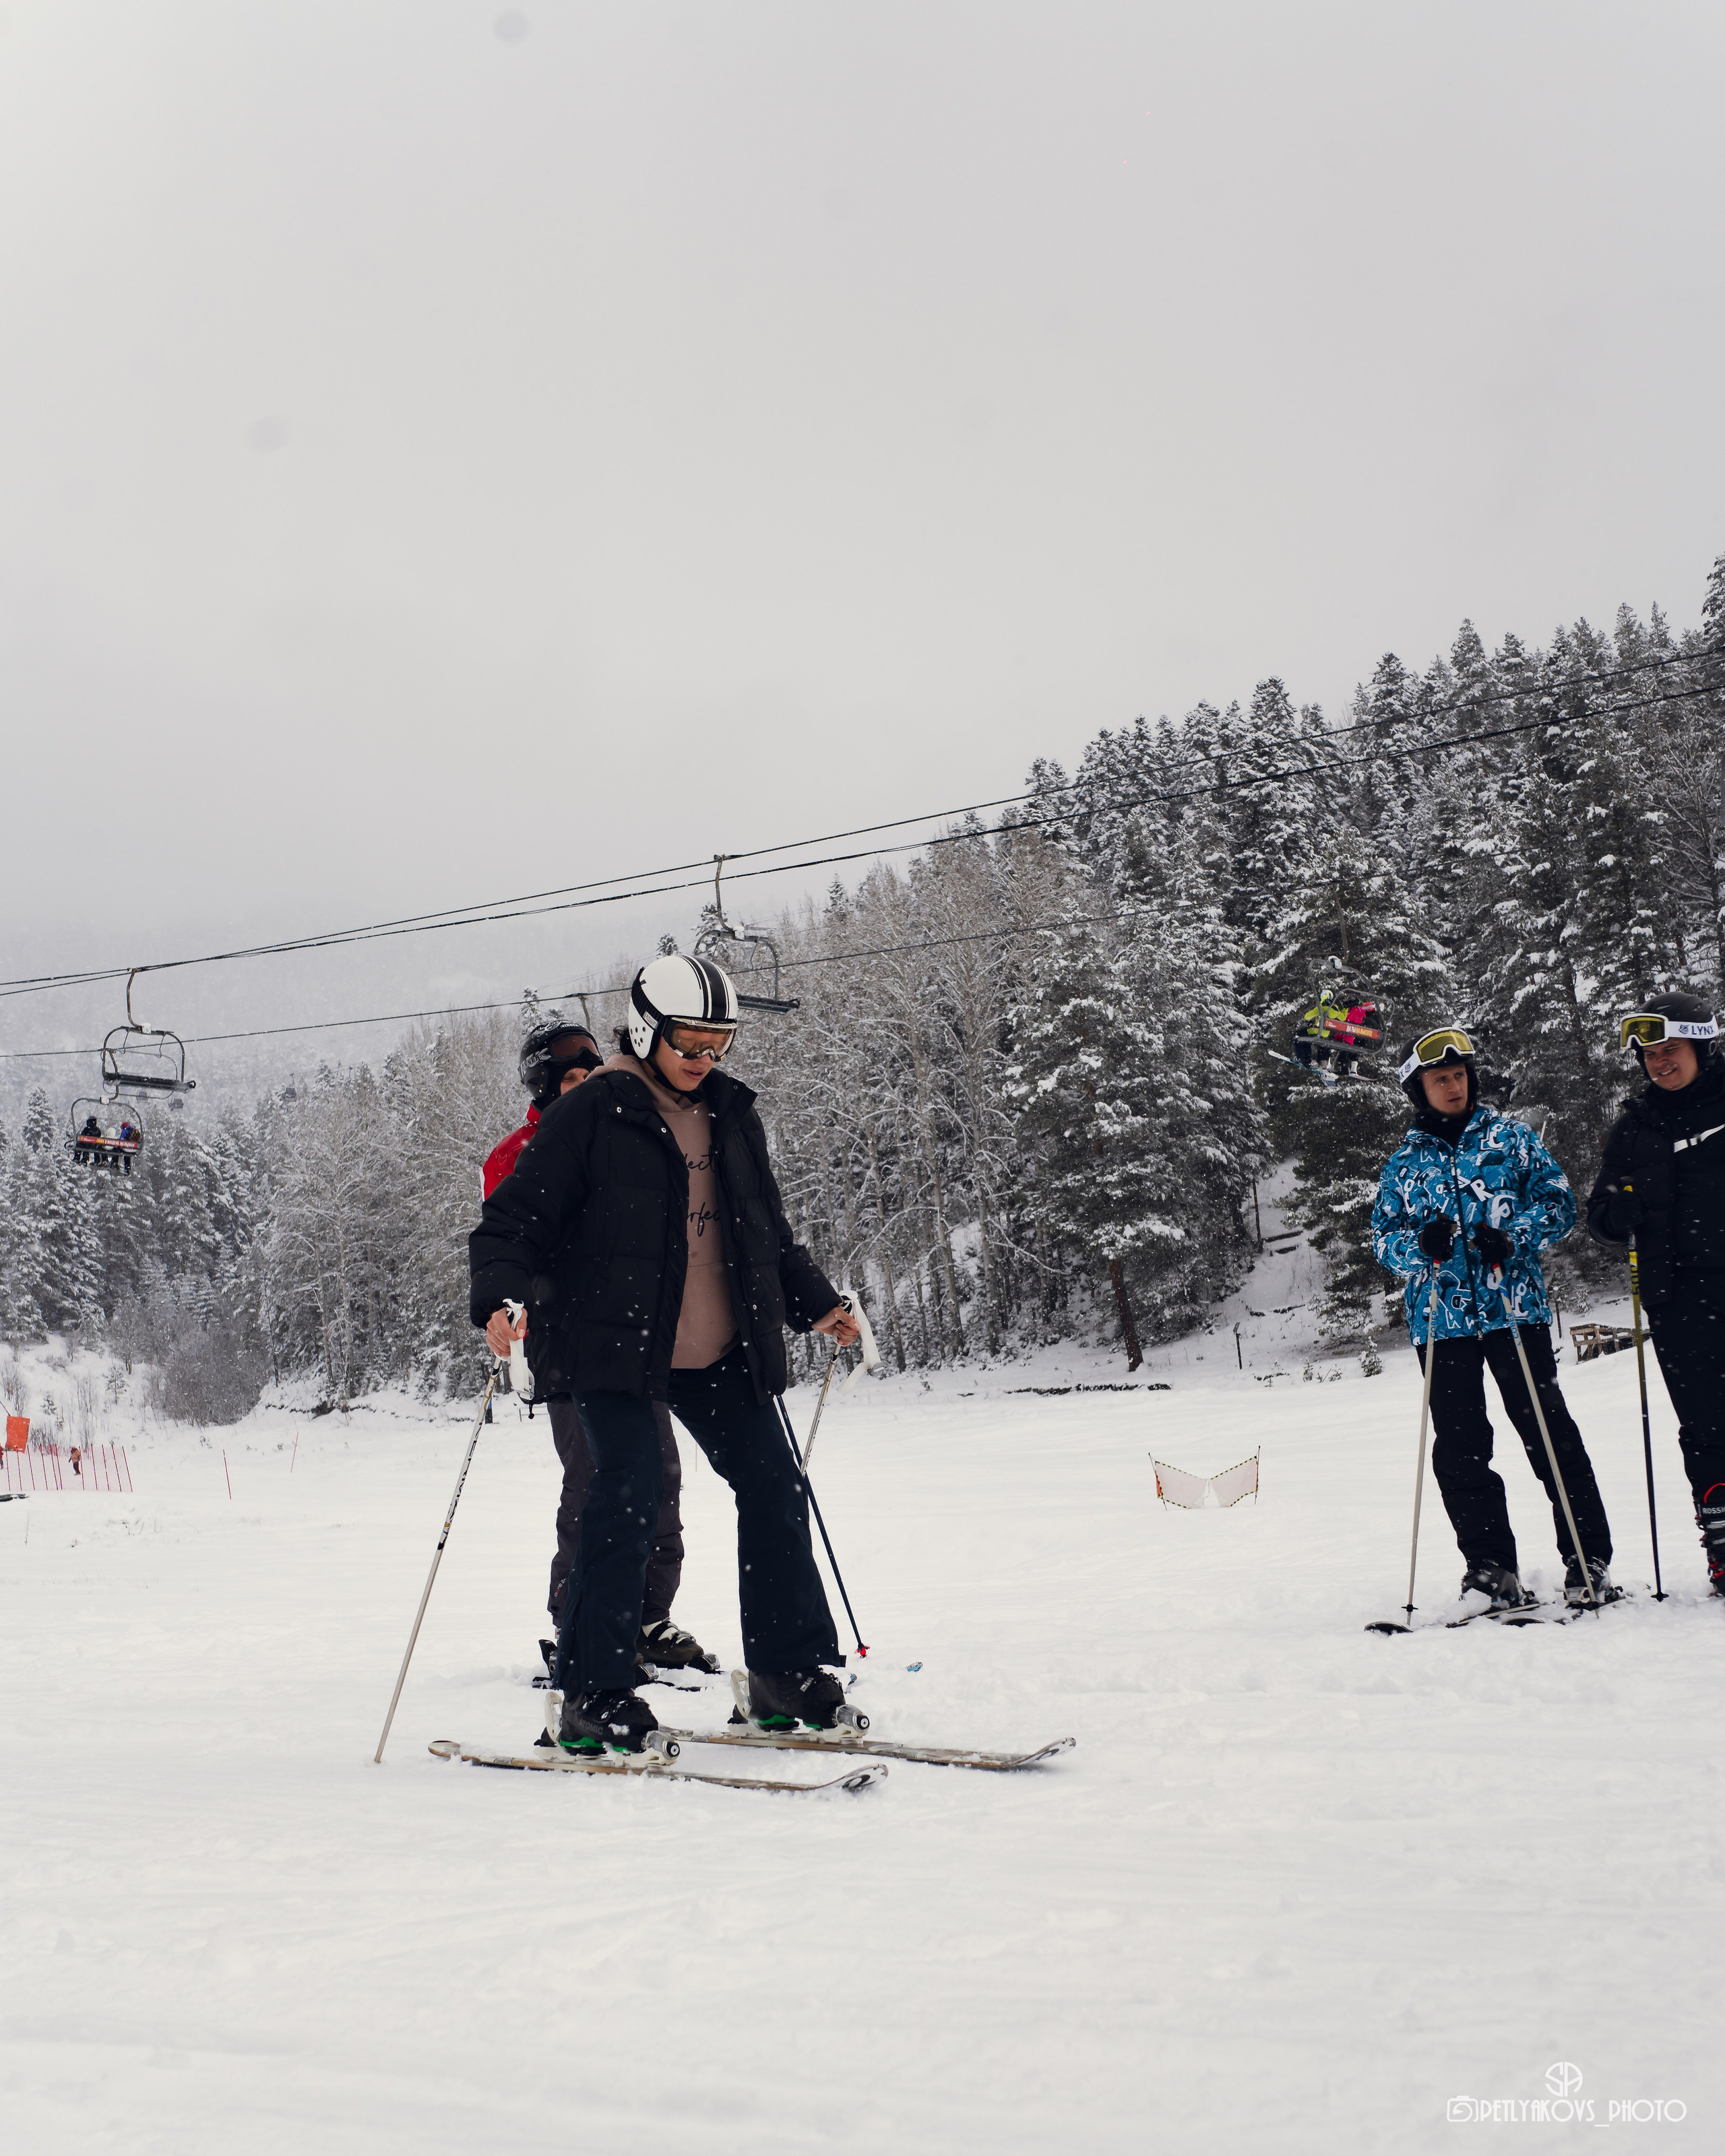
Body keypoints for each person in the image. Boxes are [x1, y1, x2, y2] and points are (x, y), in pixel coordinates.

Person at [470, 954, 860, 1755]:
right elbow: (511, 1221)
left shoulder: (732, 1114)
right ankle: (594, 1692)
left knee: (776, 1484)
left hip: (720, 1344)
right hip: (611, 1341)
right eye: (689, 1039)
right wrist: (498, 1300)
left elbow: (765, 1233)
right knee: (628, 1493)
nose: (702, 1057)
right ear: (647, 1026)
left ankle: (786, 1675)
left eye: (718, 1042)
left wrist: (815, 1300)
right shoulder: (594, 1112)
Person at [482, 1017, 716, 1677]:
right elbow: (506, 1240)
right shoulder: (520, 1151)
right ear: (546, 1086)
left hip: (639, 1340)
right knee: (595, 1478)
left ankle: (645, 1615)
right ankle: (579, 1620)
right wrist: (509, 1300)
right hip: (566, 1346)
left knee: (660, 1473)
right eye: (575, 1079)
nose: (591, 1090)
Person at [1372, 1023, 1618, 1610]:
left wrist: (1515, 1236)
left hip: (1516, 1313)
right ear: (1419, 1089)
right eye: (1440, 1079)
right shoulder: (1404, 1163)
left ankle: (1588, 1561)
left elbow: (1558, 1202)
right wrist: (1419, 1247)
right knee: (1461, 1449)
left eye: (1459, 1076)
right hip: (1441, 1322)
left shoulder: (1512, 1139)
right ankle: (1490, 1570)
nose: (1454, 1086)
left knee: (1550, 1436)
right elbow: (1383, 1240)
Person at [1586, 992, 1725, 1596]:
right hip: (1678, 1297)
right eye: (1650, 1055)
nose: (1660, 1063)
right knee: (1706, 1427)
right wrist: (1618, 1212)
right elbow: (1599, 1218)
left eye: (1671, 1050)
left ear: (1700, 1045)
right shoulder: (1636, 1127)